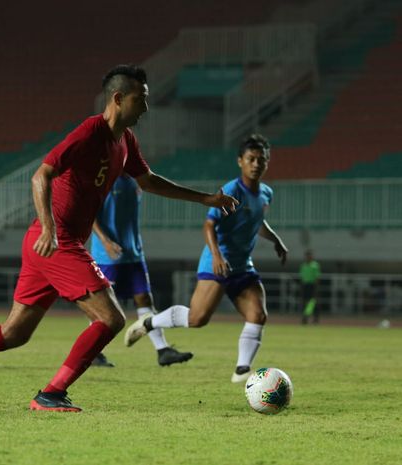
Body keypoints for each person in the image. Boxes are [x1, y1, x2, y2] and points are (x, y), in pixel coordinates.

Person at [0, 64, 238, 412]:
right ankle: (51, 393)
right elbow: (40, 177)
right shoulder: (90, 132)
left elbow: (148, 181)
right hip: (56, 241)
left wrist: (205, 199)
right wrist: (48, 228)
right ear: (118, 99)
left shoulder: (125, 141)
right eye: (141, 100)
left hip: (51, 244)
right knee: (110, 319)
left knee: (14, 333)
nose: (146, 108)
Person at [125, 134, 287, 384]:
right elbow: (210, 224)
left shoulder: (265, 192)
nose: (256, 164)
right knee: (197, 319)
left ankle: (242, 371)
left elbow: (256, 221)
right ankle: (149, 322)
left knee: (258, 315)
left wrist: (275, 239)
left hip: (243, 266)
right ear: (240, 161)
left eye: (261, 159)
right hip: (218, 263)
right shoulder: (232, 190)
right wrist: (216, 255)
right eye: (251, 159)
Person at [90, 174, 193, 367]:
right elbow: (90, 213)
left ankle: (162, 350)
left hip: (133, 252)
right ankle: (94, 352)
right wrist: (105, 241)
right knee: (104, 305)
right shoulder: (102, 178)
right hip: (107, 255)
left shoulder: (136, 178)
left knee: (144, 299)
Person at [300, 250, 321, 324]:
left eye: (309, 256)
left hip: (312, 285)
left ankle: (315, 319)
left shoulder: (315, 265)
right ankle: (305, 318)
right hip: (305, 285)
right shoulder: (303, 265)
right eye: (307, 256)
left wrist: (316, 288)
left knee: (313, 302)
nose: (308, 257)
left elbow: (317, 277)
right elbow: (302, 277)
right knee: (304, 302)